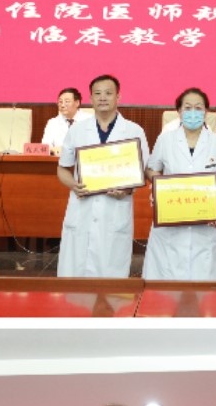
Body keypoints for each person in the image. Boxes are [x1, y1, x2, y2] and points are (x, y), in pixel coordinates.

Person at [57, 74, 150, 278]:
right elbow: (62, 169)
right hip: (82, 208)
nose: (102, 98)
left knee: (111, 281)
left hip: (115, 209)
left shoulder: (134, 131)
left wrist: (127, 189)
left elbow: (143, 171)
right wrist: (73, 185)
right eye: (97, 93)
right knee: (74, 279)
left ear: (118, 97)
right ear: (90, 98)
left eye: (108, 93)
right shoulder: (77, 130)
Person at [142, 87, 216, 282]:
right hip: (170, 220)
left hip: (206, 222)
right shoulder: (165, 139)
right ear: (179, 111)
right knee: (165, 287)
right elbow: (151, 169)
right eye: (188, 107)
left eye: (198, 108)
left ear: (206, 112)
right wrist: (159, 189)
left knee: (204, 288)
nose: (193, 112)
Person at [40, 86, 93, 153]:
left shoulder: (90, 120)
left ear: (77, 103)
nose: (62, 105)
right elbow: (45, 147)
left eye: (67, 101)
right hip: (59, 158)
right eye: (60, 102)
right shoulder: (52, 123)